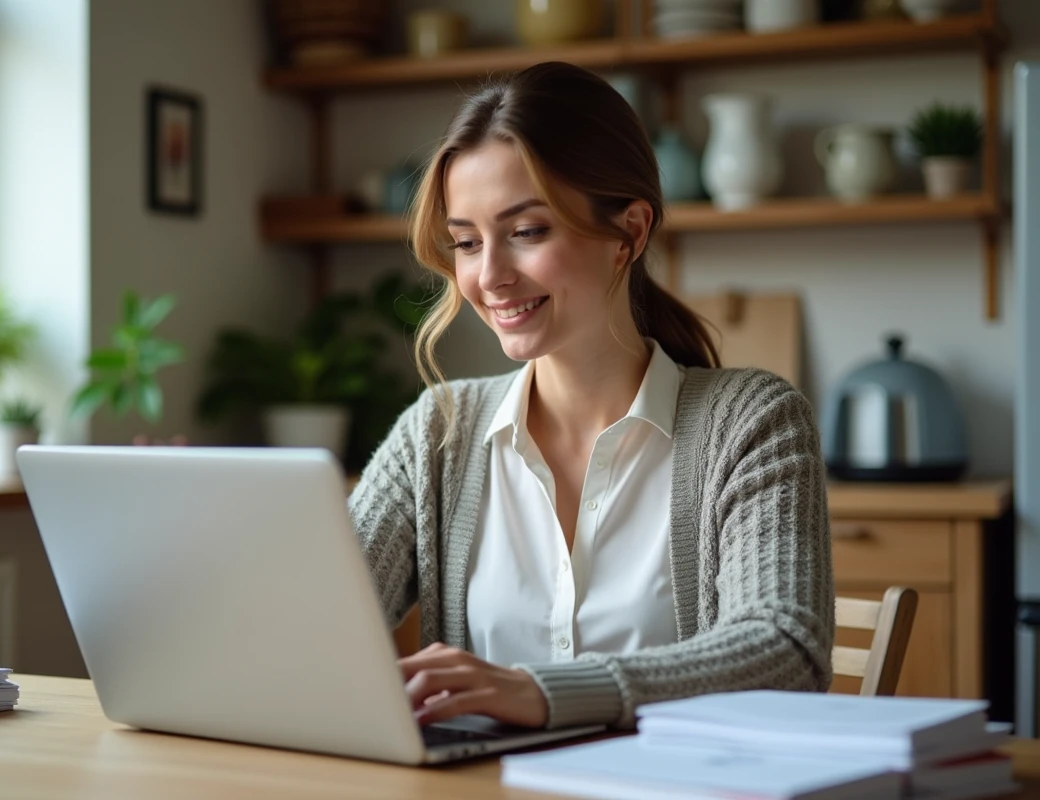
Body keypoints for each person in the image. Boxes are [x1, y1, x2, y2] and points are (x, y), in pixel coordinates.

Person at [347, 61, 833, 733]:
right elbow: (317, 624)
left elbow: (786, 651)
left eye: (527, 232)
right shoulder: (439, 431)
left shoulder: (752, 422)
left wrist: (540, 691)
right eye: (465, 242)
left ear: (628, 233)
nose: (488, 277)